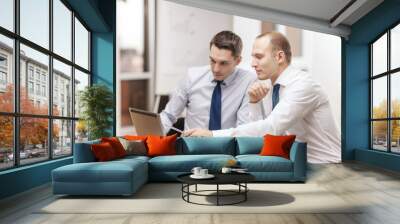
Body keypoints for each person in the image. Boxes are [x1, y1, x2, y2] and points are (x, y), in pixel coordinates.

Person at [183, 32, 341, 163]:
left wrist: (212, 135)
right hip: (297, 164)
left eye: (258, 57)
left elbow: (271, 128)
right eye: (252, 57)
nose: (252, 63)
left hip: (325, 165)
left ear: (279, 57)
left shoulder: (302, 86)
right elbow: (262, 136)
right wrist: (254, 104)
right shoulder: (273, 88)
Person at [160, 31, 258, 134]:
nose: (216, 69)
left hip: (226, 147)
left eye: (223, 63)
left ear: (238, 61)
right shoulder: (192, 77)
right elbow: (168, 116)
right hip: (191, 147)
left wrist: (212, 136)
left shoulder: (248, 81)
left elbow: (243, 129)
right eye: (212, 61)